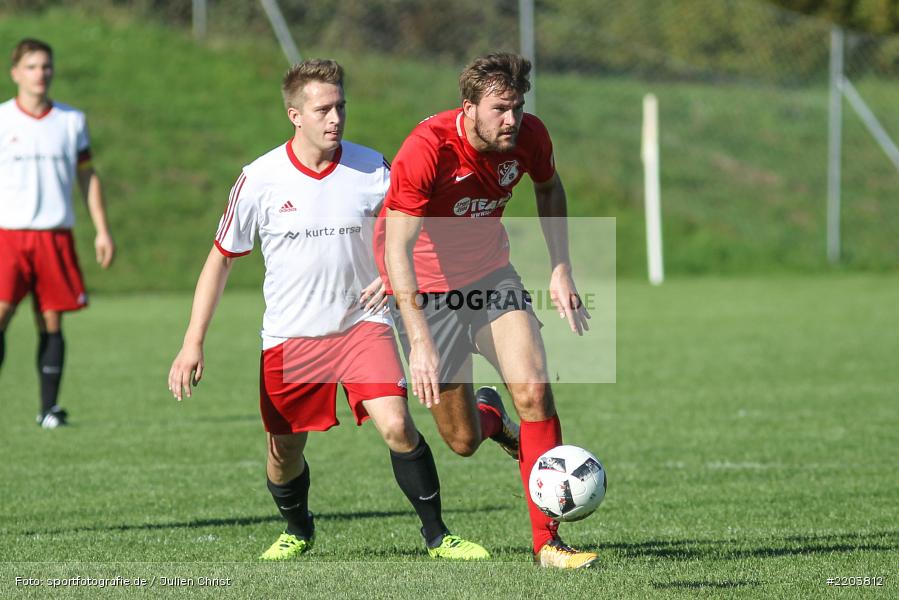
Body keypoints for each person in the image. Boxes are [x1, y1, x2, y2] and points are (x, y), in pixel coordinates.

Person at [167, 59, 487, 561]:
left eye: (341, 106)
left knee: (398, 426)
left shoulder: (374, 168)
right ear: (295, 115)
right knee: (284, 452)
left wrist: (390, 273)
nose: (336, 117)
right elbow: (220, 260)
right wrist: (192, 343)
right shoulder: (259, 178)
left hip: (363, 327)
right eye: (323, 109)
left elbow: (415, 225)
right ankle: (298, 527)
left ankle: (438, 535)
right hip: (292, 337)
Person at [379, 52, 597, 569]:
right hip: (427, 291)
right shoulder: (427, 149)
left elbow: (548, 186)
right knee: (462, 441)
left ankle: (548, 544)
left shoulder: (530, 137)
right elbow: (396, 249)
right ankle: (489, 415)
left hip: (490, 277)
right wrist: (422, 343)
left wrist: (560, 266)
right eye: (500, 108)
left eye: (517, 107)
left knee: (535, 388)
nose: (511, 120)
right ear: (469, 107)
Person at [0, 38, 115, 429]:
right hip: (9, 236)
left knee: (51, 321)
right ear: (16, 72)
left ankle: (48, 410)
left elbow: (87, 176)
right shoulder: (2, 119)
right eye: (31, 66)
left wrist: (102, 229)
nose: (40, 73)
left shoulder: (70, 121)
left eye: (46, 66)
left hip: (54, 234)